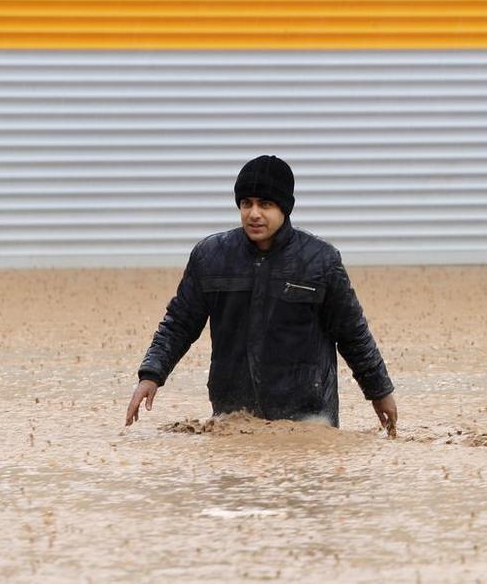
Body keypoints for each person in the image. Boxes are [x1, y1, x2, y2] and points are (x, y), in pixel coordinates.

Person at [124, 155, 398, 432]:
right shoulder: (211, 257)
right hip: (233, 415)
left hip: (308, 416)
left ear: (285, 208)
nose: (254, 213)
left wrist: (380, 392)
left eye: (265, 204)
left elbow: (353, 334)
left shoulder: (320, 261)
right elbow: (179, 324)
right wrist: (151, 375)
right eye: (246, 203)